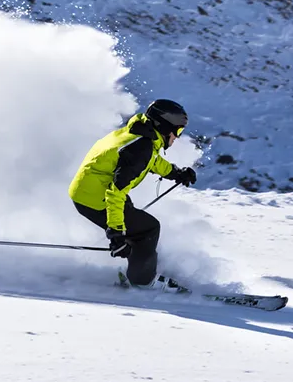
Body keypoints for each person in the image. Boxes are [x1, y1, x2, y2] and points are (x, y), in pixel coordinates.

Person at [68, 99, 197, 292]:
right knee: (148, 229)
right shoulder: (141, 147)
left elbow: (151, 160)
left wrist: (175, 172)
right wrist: (116, 233)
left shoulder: (140, 135)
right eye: (177, 131)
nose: (177, 137)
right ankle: (143, 282)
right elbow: (116, 191)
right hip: (94, 197)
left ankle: (135, 270)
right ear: (165, 126)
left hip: (89, 191)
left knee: (134, 223)